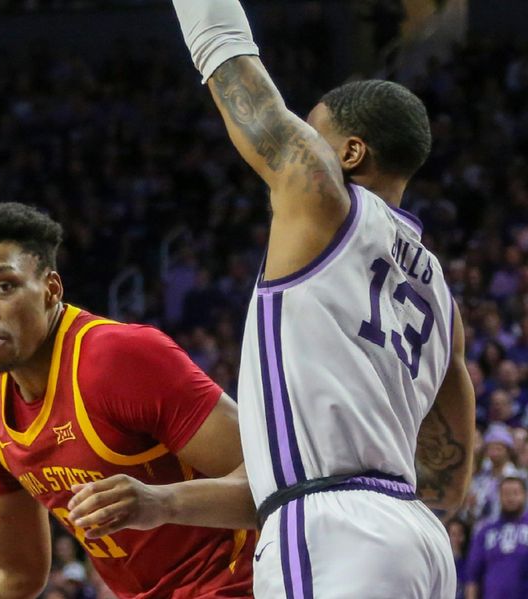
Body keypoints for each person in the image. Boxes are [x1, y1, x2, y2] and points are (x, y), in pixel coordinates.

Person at [72, 1, 475, 597]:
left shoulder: (323, 198)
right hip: (416, 537)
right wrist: (164, 503)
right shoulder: (442, 295)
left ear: (350, 153)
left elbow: (231, 62)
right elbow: (446, 483)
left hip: (331, 531)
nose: (303, 139)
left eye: (314, 130)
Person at [0, 202, 255, 598]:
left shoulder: (117, 359)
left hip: (245, 582)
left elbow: (283, 483)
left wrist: (163, 502)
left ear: (51, 289)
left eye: (4, 286)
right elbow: (10, 570)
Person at [465, 477, 528, 598]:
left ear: (525, 495)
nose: (511, 498)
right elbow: (473, 577)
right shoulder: (485, 531)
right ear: (499, 496)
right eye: (506, 494)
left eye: (515, 493)